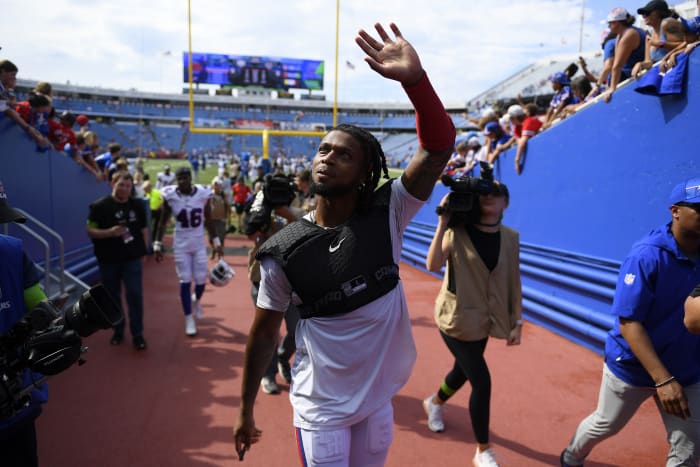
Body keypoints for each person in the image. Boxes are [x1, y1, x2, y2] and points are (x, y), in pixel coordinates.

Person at [233, 21, 456, 465]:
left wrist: (416, 82)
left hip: (377, 403)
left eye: (343, 154)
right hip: (321, 411)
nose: (327, 157)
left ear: (365, 172)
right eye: (322, 150)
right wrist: (245, 409)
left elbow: (436, 148)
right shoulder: (283, 251)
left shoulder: (389, 209)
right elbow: (262, 335)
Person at [560, 177, 700, 467]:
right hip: (633, 366)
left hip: (686, 367)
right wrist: (663, 380)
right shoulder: (647, 255)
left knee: (688, 447)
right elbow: (629, 323)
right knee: (605, 424)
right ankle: (571, 456)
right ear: (675, 211)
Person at [423, 180, 522, 467]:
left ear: (506, 202)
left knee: (462, 371)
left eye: (497, 193)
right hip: (453, 318)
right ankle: (483, 450)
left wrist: (517, 321)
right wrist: (443, 222)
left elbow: (514, 280)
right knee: (482, 380)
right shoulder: (457, 232)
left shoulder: (511, 237)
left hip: (484, 320)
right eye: (484, 193)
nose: (490, 196)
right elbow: (432, 264)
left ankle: (435, 402)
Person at [0, 181, 50, 467]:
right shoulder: (11, 250)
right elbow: (42, 308)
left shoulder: (11, 250)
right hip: (17, 399)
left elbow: (43, 311)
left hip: (16, 399)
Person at [155, 167, 222, 336]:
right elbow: (163, 221)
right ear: (176, 180)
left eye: (185, 178)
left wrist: (216, 241)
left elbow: (209, 219)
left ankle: (196, 301)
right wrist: (157, 243)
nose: (183, 181)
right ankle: (188, 318)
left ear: (190, 178)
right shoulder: (170, 195)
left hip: (198, 243)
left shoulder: (202, 193)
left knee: (200, 281)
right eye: (180, 179)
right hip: (181, 245)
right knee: (185, 280)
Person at [86, 171, 148, 350]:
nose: (125, 189)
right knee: (113, 298)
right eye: (121, 185)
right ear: (113, 183)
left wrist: (145, 251)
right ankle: (118, 330)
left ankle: (138, 334)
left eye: (128, 186)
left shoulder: (137, 205)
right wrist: (110, 232)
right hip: (108, 261)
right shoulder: (99, 206)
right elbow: (90, 231)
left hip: (132, 260)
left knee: (135, 295)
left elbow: (144, 229)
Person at [602, 7, 646, 103]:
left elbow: (617, 66)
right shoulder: (621, 35)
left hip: (636, 77)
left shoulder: (629, 34)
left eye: (610, 23)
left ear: (617, 22)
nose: (609, 26)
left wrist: (612, 89)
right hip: (632, 75)